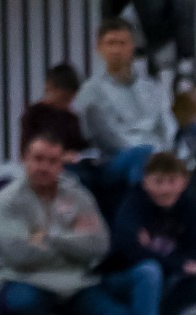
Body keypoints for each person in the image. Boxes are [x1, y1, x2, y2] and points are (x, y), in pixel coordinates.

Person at [0, 133, 159, 315]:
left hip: (76, 283)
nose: (44, 167)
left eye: (52, 161)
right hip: (26, 279)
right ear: (24, 160)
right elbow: (19, 254)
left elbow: (99, 245)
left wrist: (47, 237)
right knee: (22, 303)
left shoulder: (78, 196)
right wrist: (73, 241)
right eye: (38, 159)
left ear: (62, 164)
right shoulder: (6, 201)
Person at [109, 152, 196, 315]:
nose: (165, 189)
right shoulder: (134, 204)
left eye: (172, 181)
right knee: (149, 271)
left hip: (172, 277)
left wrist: (180, 264)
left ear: (184, 182)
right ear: (145, 182)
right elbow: (129, 250)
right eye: (158, 181)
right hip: (128, 277)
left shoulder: (189, 206)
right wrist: (181, 264)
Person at [74, 18, 175, 191]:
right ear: (99, 48)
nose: (116, 50)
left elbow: (167, 124)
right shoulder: (90, 91)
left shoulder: (151, 87)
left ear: (133, 47)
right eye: (110, 43)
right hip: (115, 160)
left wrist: (164, 152)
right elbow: (104, 137)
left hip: (157, 153)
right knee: (141, 158)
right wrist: (147, 152)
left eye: (122, 43)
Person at [20, 65, 91, 160]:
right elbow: (26, 152)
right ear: (49, 87)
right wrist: (60, 157)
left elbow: (81, 147)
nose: (67, 103)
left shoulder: (71, 118)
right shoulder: (34, 114)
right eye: (64, 97)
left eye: (71, 99)